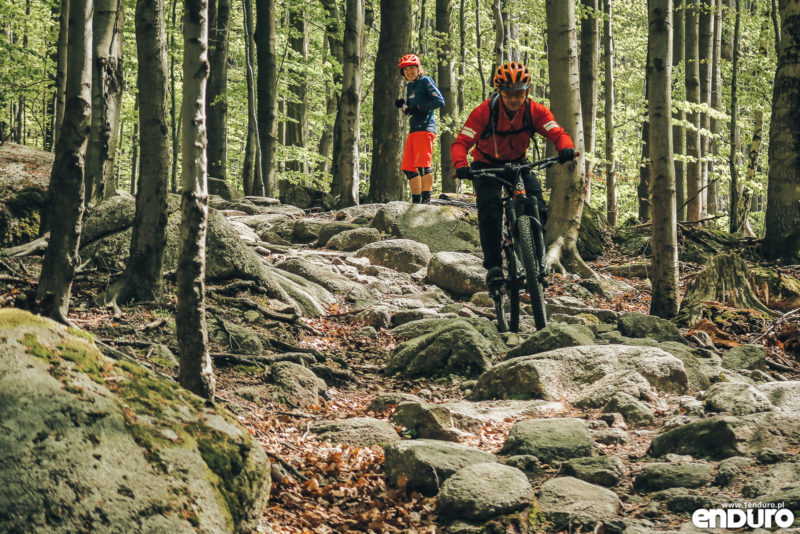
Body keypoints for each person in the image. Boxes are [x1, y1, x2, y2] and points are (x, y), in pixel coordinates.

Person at [450, 61, 576, 290]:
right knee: (490, 209)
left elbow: (557, 132)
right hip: (486, 165)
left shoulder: (534, 111)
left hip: (518, 163)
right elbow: (461, 143)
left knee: (536, 203)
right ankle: (494, 267)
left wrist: (565, 147)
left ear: (527, 91)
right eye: (509, 94)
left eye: (519, 93)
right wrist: (461, 165)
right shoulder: (483, 112)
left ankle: (536, 262)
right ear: (500, 91)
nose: (514, 98)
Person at [395, 53, 445, 204]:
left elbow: (439, 101)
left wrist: (419, 107)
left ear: (418, 68)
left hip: (425, 128)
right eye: (405, 70)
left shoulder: (425, 81)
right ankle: (416, 201)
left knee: (423, 164)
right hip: (414, 129)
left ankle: (426, 201)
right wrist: (403, 107)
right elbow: (411, 112)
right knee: (408, 167)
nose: (409, 72)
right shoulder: (410, 86)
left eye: (412, 68)